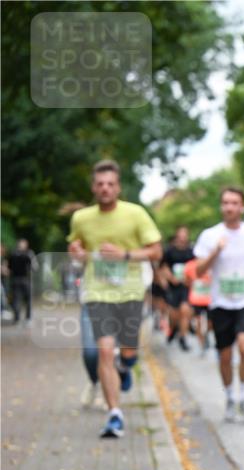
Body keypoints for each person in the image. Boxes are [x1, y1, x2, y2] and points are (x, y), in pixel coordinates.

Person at [67, 159, 163, 438]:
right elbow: (77, 247)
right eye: (100, 184)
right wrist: (76, 252)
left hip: (131, 292)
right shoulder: (82, 218)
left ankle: (126, 364)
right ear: (93, 188)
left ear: (118, 187)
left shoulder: (136, 214)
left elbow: (156, 252)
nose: (105, 188)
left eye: (110, 184)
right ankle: (114, 415)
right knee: (104, 350)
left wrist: (124, 255)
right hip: (97, 292)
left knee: (128, 352)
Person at [193, 187, 244, 423]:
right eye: (225, 202)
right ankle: (230, 398)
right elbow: (199, 270)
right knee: (224, 356)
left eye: (234, 203)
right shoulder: (209, 235)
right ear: (221, 206)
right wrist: (216, 251)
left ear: (242, 206)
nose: (229, 207)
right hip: (221, 301)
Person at [161, 226, 196, 350]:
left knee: (185, 310)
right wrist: (171, 278)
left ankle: (183, 337)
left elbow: (196, 266)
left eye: (184, 234)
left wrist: (191, 279)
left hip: (186, 286)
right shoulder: (169, 251)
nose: (182, 237)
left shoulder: (192, 251)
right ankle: (173, 329)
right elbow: (163, 266)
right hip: (173, 286)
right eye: (180, 234)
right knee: (174, 314)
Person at [183, 257, 213, 353]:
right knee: (198, 322)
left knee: (211, 323)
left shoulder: (211, 262)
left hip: (210, 299)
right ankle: (202, 344)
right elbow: (186, 281)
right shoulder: (190, 265)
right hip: (196, 300)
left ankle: (206, 334)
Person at [7, 239, 37, 324]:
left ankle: (16, 318)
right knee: (28, 300)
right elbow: (34, 267)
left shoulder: (12, 254)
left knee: (16, 299)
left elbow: (9, 267)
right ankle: (28, 318)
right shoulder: (29, 254)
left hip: (15, 279)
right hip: (25, 279)